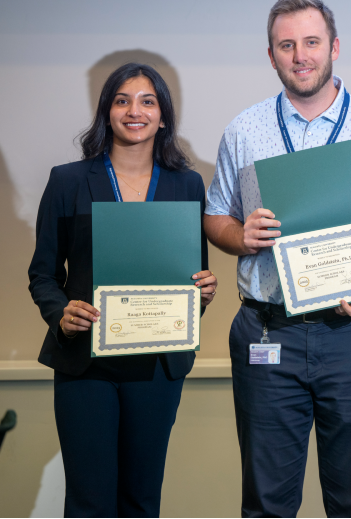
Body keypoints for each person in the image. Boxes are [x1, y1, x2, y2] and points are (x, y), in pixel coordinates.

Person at [203, 0, 351, 518]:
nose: (300, 55)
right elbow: (216, 215)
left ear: (333, 48)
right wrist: (241, 236)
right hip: (269, 333)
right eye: (287, 45)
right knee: (264, 503)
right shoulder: (244, 129)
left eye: (310, 43)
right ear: (271, 55)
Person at [28, 63, 218, 518]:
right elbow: (43, 274)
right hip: (85, 366)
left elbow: (194, 278)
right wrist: (60, 314)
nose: (135, 111)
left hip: (157, 365)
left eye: (148, 101)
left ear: (164, 116)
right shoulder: (68, 181)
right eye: (122, 100)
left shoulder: (186, 184)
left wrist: (203, 293)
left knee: (140, 500)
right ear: (106, 111)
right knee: (89, 503)